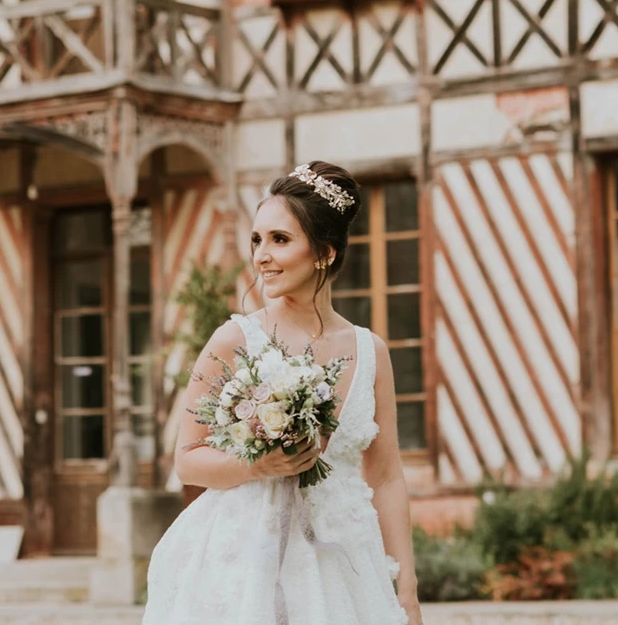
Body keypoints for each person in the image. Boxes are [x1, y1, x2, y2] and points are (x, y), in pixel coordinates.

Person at [143, 160, 423, 625]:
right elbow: (187, 460)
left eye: (279, 239)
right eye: (257, 240)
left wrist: (407, 589)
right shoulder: (234, 340)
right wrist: (256, 465)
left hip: (343, 565)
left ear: (324, 253)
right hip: (245, 564)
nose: (261, 256)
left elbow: (387, 477)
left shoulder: (370, 352)